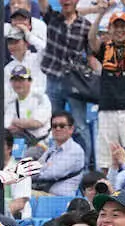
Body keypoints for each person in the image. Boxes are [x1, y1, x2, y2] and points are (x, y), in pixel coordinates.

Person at [88, 2, 125, 171]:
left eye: (123, 26)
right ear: (110, 29)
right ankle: (107, 185)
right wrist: (101, 13)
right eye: (116, 26)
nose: (120, 30)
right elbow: (91, 38)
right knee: (106, 158)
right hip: (108, 109)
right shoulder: (104, 49)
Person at [39, 0, 92, 158]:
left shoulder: (85, 26)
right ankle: (57, 160)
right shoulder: (52, 18)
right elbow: (42, 3)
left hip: (74, 82)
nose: (66, 1)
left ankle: (84, 165)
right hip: (53, 79)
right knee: (55, 125)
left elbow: (91, 56)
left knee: (80, 125)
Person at [32, 111, 85, 197]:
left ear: (71, 129)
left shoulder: (75, 150)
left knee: (22, 195)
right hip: (46, 194)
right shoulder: (52, 149)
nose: (57, 129)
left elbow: (53, 174)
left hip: (61, 198)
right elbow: (35, 167)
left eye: (62, 126)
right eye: (54, 126)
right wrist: (46, 166)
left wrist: (42, 167)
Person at [5, 66, 52, 145]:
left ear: (30, 81)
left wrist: (15, 122)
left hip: (42, 142)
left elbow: (36, 123)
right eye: (14, 80)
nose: (17, 84)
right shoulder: (11, 102)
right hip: (20, 141)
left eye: (21, 80)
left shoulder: (41, 98)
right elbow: (7, 126)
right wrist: (23, 123)